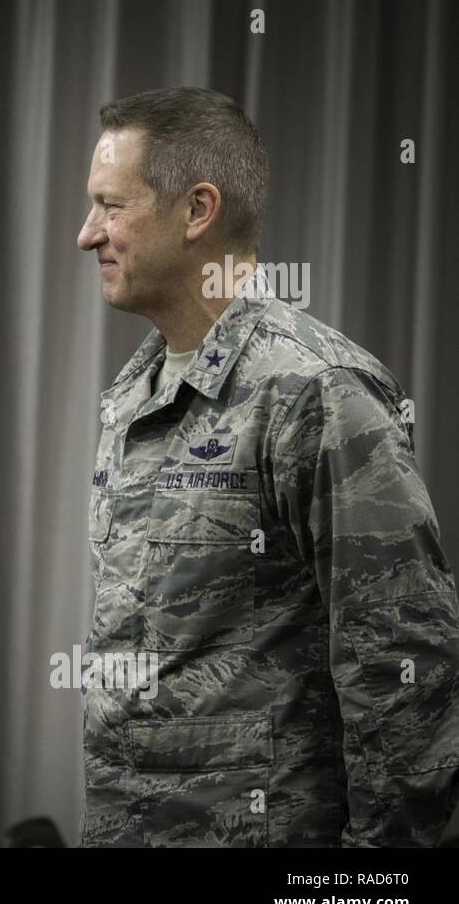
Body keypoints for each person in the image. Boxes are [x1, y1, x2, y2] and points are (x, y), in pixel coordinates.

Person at [76, 86, 459, 846]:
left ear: (197, 210)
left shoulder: (315, 392)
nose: (88, 235)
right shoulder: (138, 393)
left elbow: (406, 672)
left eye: (111, 206)